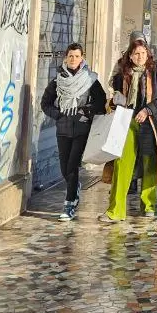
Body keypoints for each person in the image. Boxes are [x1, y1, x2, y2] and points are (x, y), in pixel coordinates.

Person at [102, 33, 157, 223]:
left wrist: (149, 110)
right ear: (130, 54)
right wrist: (114, 102)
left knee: (150, 163)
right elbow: (115, 93)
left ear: (147, 52)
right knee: (121, 164)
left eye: (143, 53)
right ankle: (115, 210)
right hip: (126, 120)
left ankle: (148, 204)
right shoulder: (122, 69)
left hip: (151, 122)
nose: (140, 57)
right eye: (136, 54)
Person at [40, 42, 107, 220]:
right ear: (66, 58)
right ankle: (74, 187)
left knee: (72, 166)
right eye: (71, 56)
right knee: (64, 168)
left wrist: (87, 111)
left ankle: (69, 204)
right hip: (62, 129)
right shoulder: (57, 81)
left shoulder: (90, 80)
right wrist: (58, 115)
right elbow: (45, 103)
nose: (73, 59)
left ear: (82, 58)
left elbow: (101, 102)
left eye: (77, 56)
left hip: (82, 128)